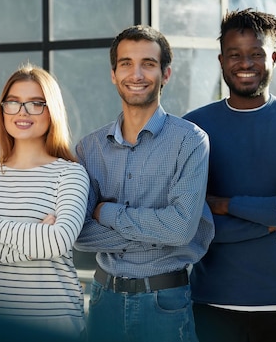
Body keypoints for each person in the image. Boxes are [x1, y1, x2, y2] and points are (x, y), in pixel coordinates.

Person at [182, 8, 276, 342]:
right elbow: (192, 223)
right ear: (221, 60)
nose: (245, 63)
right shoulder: (193, 126)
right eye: (235, 55)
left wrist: (225, 205)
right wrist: (274, 222)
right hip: (211, 302)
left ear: (273, 57)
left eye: (256, 54)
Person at [74, 25, 214, 342]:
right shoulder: (89, 148)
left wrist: (106, 213)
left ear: (166, 73)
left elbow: (180, 229)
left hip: (164, 304)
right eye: (126, 63)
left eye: (148, 64)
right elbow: (79, 234)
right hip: (103, 301)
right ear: (113, 73)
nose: (136, 74)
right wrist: (157, 231)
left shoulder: (190, 141)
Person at [0, 65, 90, 339]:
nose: (22, 112)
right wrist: (36, 242)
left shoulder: (70, 173)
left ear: (52, 111)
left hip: (57, 322)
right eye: (13, 103)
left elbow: (58, 241)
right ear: (2, 110)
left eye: (36, 104)